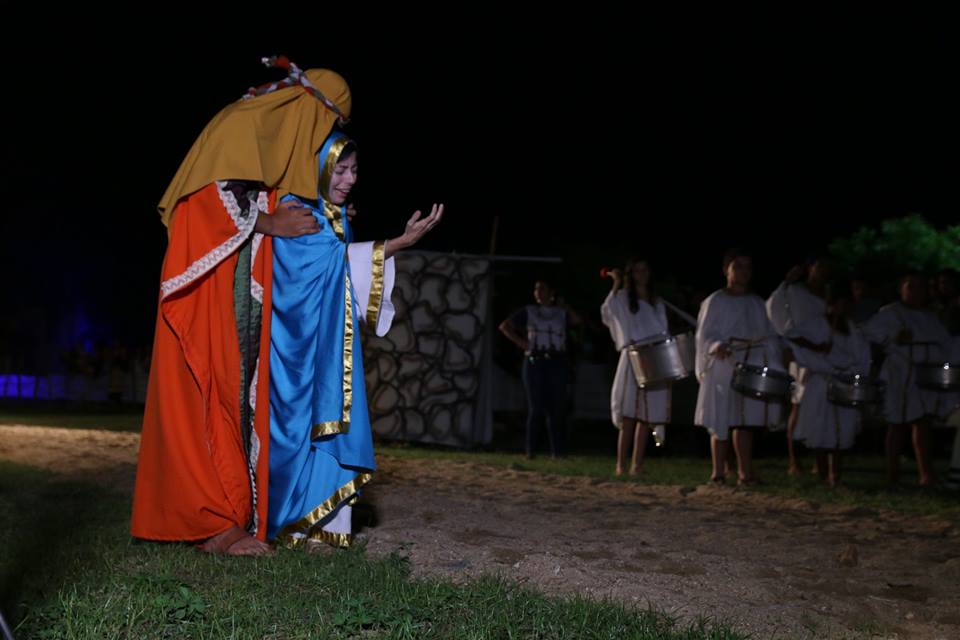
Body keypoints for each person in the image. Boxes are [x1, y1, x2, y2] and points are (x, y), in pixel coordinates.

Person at [131, 57, 442, 556]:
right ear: (314, 107)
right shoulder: (244, 125)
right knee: (209, 394)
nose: (326, 137)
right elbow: (203, 200)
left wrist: (322, 211)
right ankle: (214, 525)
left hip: (241, 289)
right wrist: (270, 224)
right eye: (331, 122)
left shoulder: (271, 140)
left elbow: (268, 198)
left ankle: (232, 517)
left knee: (237, 402)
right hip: (213, 289)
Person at [695, 248, 784, 485]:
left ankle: (744, 472)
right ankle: (718, 472)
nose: (744, 271)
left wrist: (772, 350)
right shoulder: (715, 301)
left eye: (748, 267)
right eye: (738, 266)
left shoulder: (757, 303)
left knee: (744, 420)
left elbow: (768, 333)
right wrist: (716, 345)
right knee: (721, 417)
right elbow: (704, 334)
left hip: (751, 362)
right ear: (727, 270)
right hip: (724, 363)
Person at [864, 271, 951, 486]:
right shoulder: (890, 313)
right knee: (897, 423)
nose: (916, 291)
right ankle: (893, 473)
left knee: (923, 422)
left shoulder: (930, 317)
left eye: (920, 287)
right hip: (900, 374)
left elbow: (946, 343)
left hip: (926, 375)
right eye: (911, 286)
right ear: (901, 289)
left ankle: (926, 474)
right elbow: (868, 332)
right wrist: (894, 338)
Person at [786, 289, 871, 487]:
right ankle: (823, 474)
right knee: (821, 428)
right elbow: (791, 337)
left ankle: (835, 475)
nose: (843, 308)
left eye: (846, 304)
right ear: (831, 304)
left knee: (843, 429)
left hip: (845, 382)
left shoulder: (853, 330)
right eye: (839, 303)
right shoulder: (817, 324)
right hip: (822, 381)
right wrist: (816, 347)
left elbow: (862, 357)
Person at [600, 258, 671, 476]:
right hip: (633, 356)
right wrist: (616, 283)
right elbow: (608, 311)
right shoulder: (622, 297)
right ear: (631, 275)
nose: (642, 274)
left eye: (645, 270)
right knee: (629, 414)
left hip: (654, 356)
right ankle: (621, 464)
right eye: (637, 271)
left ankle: (637, 464)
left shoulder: (656, 301)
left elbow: (663, 329)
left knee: (646, 415)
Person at [499, 280, 582, 458]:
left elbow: (577, 321)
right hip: (535, 360)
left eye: (542, 288)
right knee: (536, 407)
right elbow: (505, 326)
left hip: (556, 360)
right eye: (536, 289)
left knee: (556, 407)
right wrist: (521, 342)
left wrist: (565, 306)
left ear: (551, 292)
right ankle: (530, 450)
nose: (538, 292)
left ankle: (558, 452)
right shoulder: (529, 311)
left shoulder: (560, 313)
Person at [766, 255, 830, 475]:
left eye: (826, 267)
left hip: (825, 355)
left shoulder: (829, 294)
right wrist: (786, 282)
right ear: (810, 268)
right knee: (798, 404)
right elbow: (775, 309)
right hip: (800, 354)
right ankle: (793, 460)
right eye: (819, 266)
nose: (822, 271)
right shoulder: (794, 292)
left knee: (824, 406)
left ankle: (819, 459)